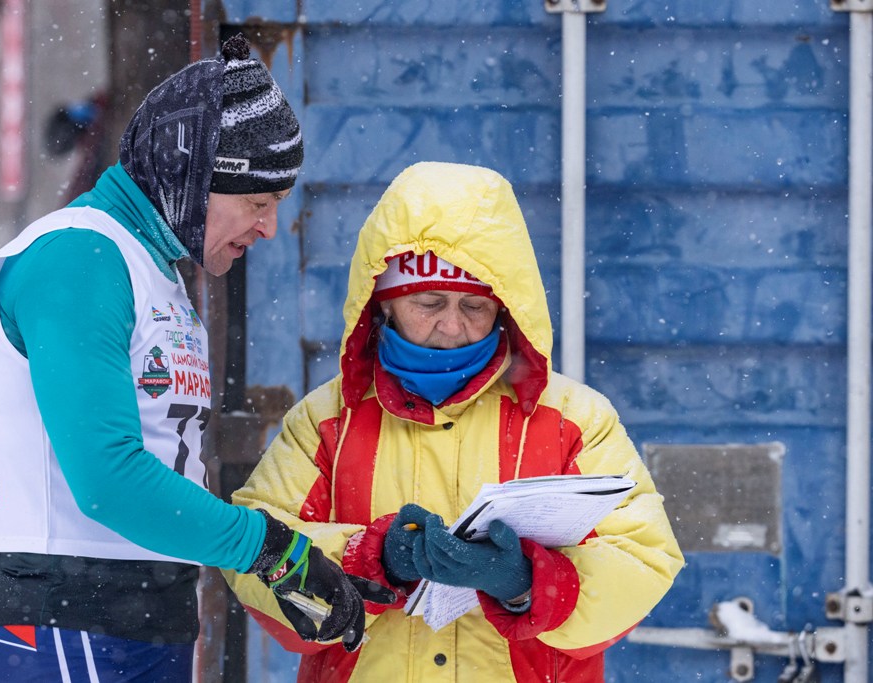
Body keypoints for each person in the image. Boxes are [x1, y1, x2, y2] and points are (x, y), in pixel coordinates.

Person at [0, 34, 393, 682]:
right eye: (257, 203)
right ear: (191, 178)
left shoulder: (153, 269)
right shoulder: (79, 258)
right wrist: (270, 550)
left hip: (142, 620)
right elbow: (107, 478)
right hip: (72, 622)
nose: (269, 228)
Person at [223, 161, 685, 681]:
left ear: (506, 309)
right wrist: (370, 557)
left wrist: (528, 582)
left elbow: (644, 562)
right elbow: (251, 555)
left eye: (475, 306)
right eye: (429, 302)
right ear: (385, 302)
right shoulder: (326, 420)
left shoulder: (575, 420)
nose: (452, 325)